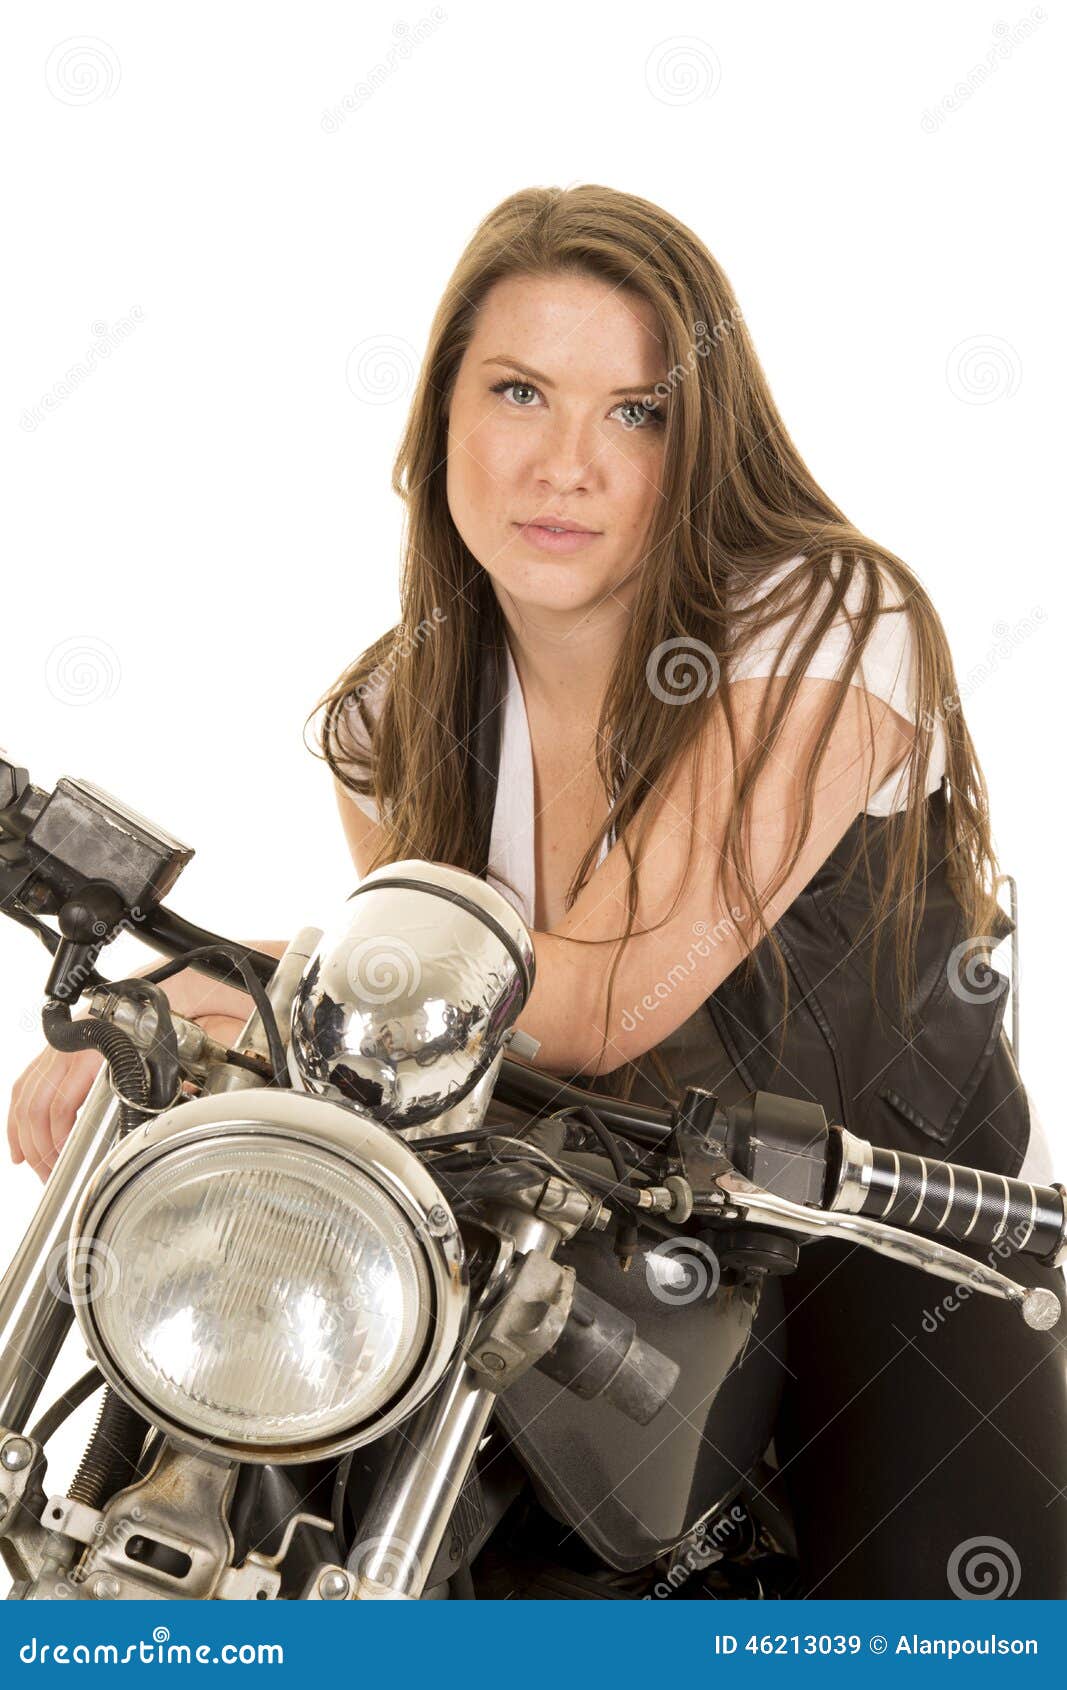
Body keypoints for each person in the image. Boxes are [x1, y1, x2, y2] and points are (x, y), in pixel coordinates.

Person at [7, 184, 1065, 1597]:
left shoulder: (824, 621)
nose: (567, 461)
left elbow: (606, 998)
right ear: (443, 419)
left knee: (952, 1623)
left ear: (701, 450)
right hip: (588, 1285)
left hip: (881, 1281)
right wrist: (196, 993)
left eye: (636, 412)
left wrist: (252, 978)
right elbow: (419, 1009)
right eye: (520, 392)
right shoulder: (399, 712)